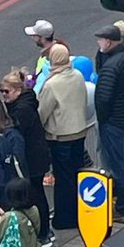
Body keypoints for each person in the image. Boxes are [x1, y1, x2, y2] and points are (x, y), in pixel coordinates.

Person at [37, 43, 87, 232]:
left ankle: (65, 218)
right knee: (76, 175)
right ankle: (81, 212)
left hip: (60, 136)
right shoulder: (78, 76)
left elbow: (43, 112)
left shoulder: (51, 84)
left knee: (63, 179)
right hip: (79, 131)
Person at [0, 69, 52, 246]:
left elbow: (17, 133)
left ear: (18, 90)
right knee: (37, 194)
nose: (3, 95)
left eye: (6, 91)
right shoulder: (24, 103)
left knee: (36, 195)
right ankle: (44, 230)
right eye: (2, 91)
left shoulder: (22, 110)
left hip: (34, 158)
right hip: (37, 155)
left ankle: (44, 232)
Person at [94, 25, 124, 219]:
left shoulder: (111, 67)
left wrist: (104, 119)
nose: (98, 43)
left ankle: (122, 206)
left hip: (114, 120)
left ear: (108, 41)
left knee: (117, 163)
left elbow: (103, 98)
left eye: (100, 40)